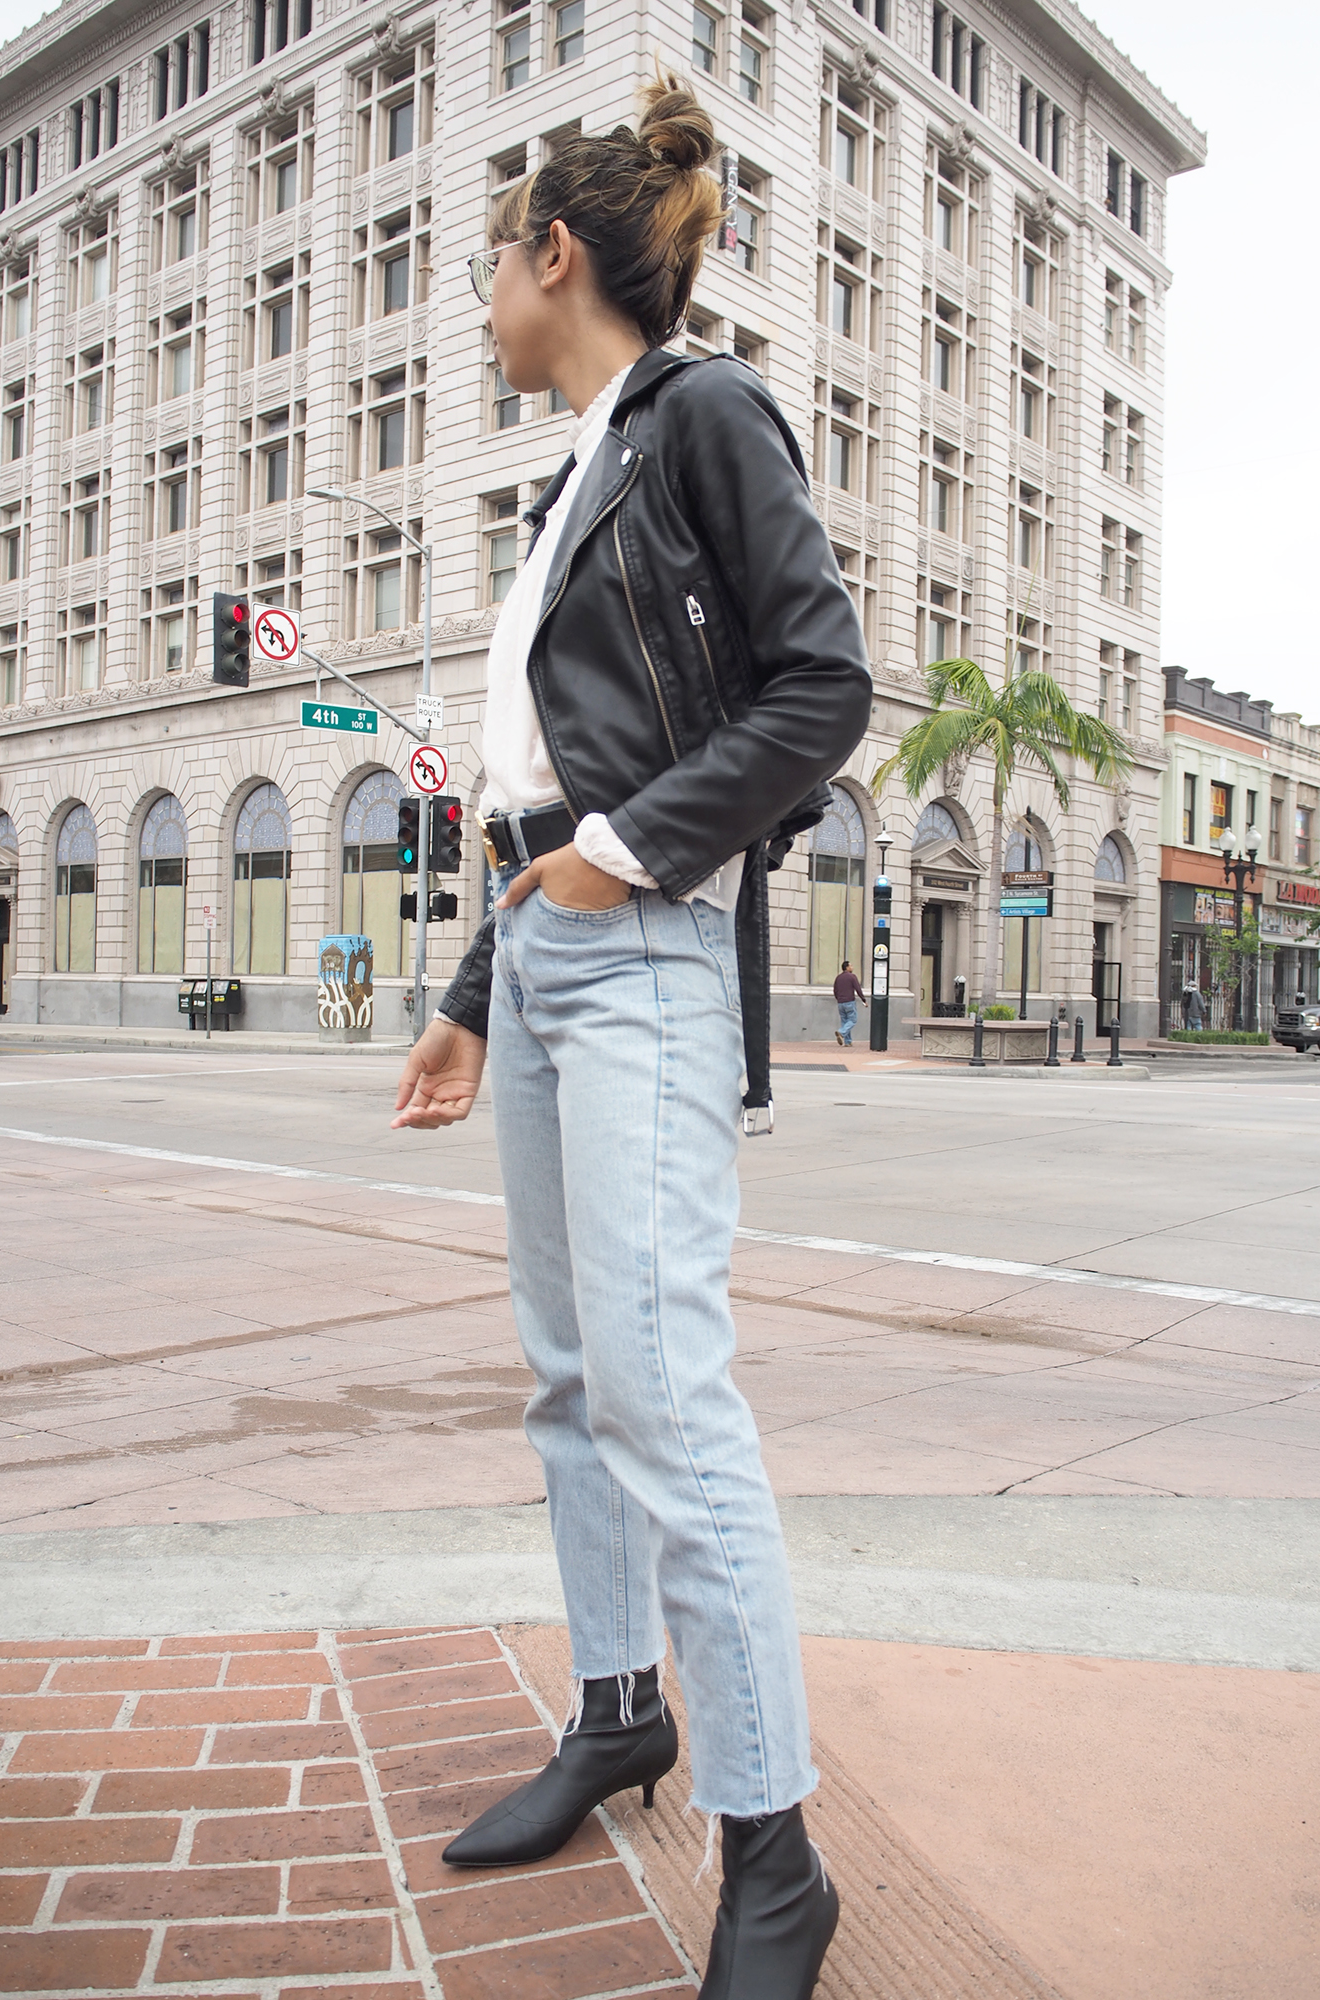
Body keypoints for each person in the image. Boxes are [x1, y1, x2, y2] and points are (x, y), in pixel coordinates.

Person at [390, 72, 869, 2000]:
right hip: (556, 944)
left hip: (649, 948)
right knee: (573, 1373)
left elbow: (817, 690)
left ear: (554, 256)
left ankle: (776, 1851)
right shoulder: (575, 469)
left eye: (486, 274)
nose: (480, 309)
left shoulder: (702, 416)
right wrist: (469, 995)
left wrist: (617, 867)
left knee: (667, 1392)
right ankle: (617, 1714)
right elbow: (543, 781)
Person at [832, 960, 865, 1046]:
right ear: (847, 967)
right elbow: (858, 989)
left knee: (845, 1021)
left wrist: (838, 999)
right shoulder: (852, 977)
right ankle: (841, 1032)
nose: (852, 967)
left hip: (840, 1003)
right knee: (853, 1020)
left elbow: (835, 990)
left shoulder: (838, 977)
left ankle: (848, 1042)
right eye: (851, 966)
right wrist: (863, 999)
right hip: (849, 1002)